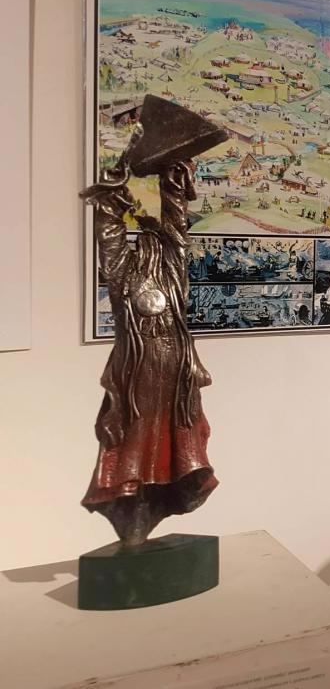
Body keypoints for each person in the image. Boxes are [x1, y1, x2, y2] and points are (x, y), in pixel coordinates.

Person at [80, 161, 217, 546]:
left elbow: (175, 232)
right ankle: (134, 510)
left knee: (178, 440)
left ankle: (167, 496)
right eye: (142, 241)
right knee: (134, 442)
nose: (147, 244)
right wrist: (110, 197)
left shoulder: (172, 273)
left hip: (174, 370)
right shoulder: (123, 276)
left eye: (153, 241)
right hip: (137, 372)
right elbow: (111, 238)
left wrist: (172, 186)